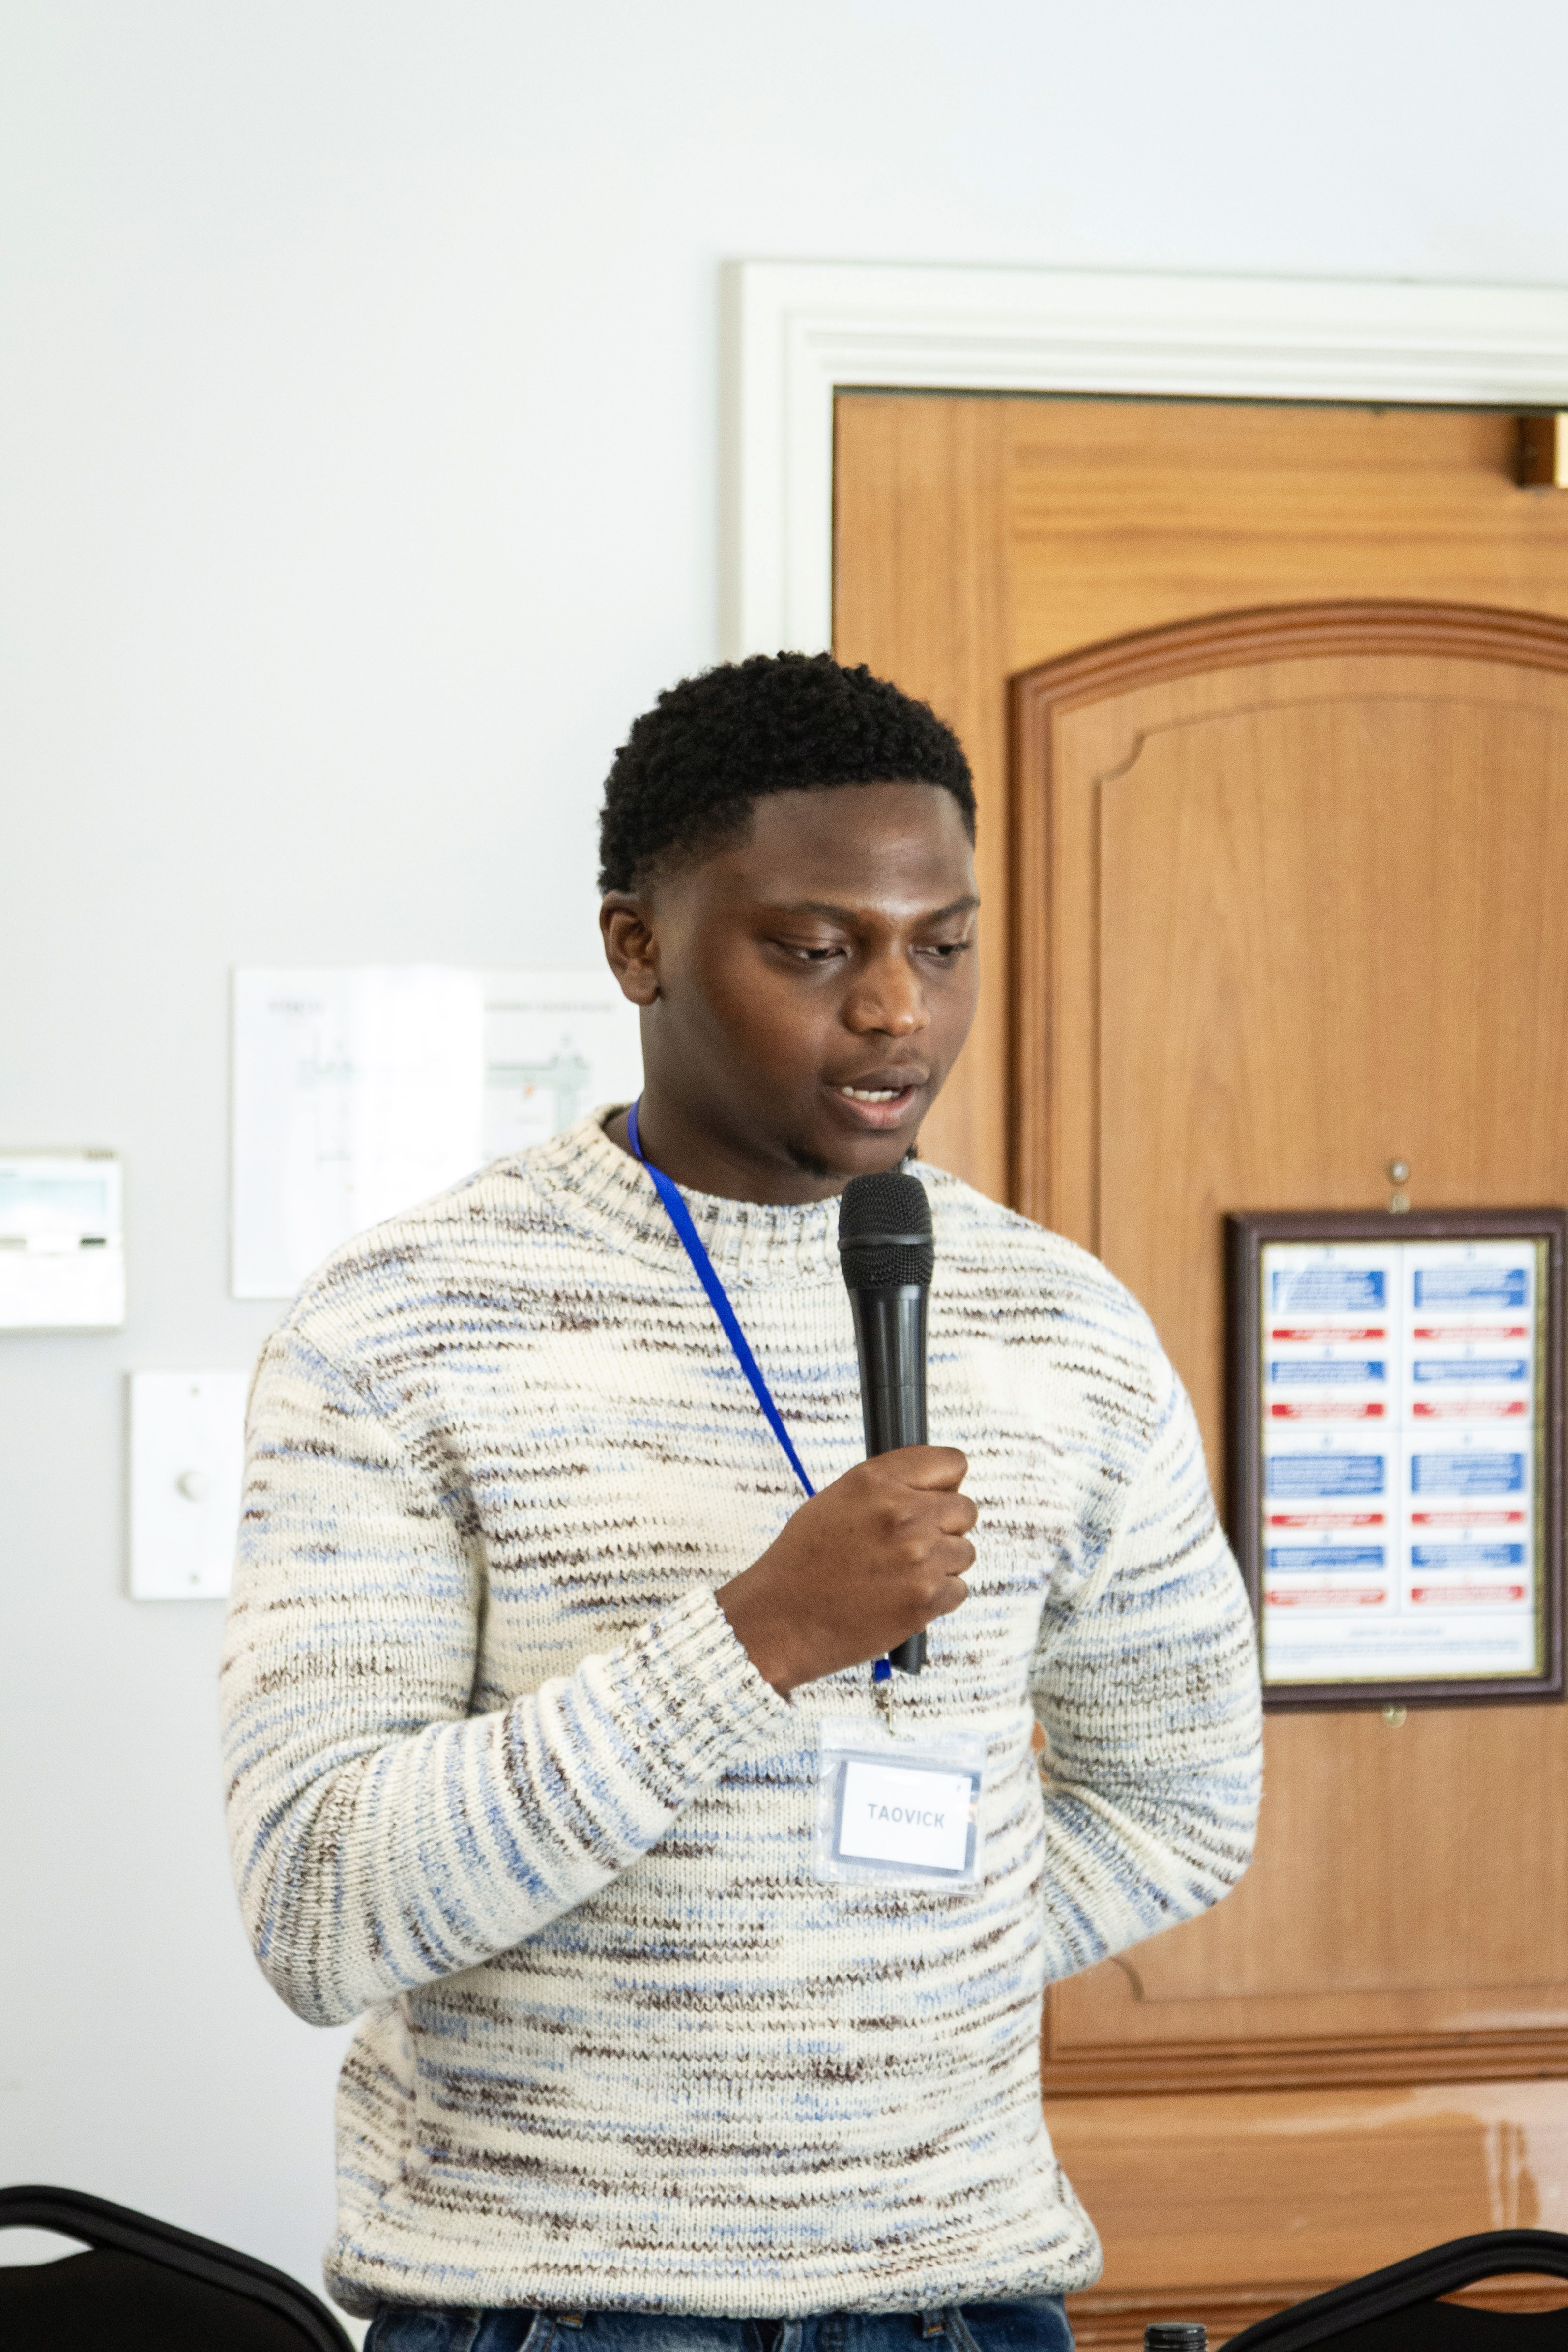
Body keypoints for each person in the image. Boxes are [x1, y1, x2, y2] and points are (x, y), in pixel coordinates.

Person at [221, 653, 1263, 2352]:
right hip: (551, 2309)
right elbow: (322, 1906)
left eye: (942, 943)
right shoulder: (403, 1323)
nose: (896, 1012)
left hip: (955, 2298)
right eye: (815, 946)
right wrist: (760, 1635)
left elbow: (1183, 1800)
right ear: (639, 944)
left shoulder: (1067, 1326)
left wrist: (876, 1981)